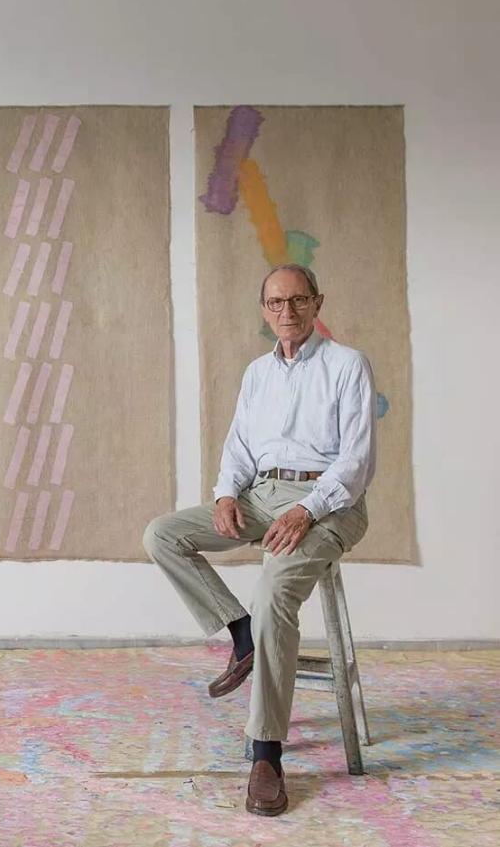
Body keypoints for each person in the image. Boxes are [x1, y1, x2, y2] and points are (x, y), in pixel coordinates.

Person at [143, 263, 376, 816]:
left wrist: (307, 508)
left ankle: (266, 753)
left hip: (330, 503)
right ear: (264, 309)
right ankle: (242, 632)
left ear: (318, 304)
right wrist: (226, 494)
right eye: (275, 302)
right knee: (163, 535)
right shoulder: (257, 372)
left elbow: (356, 462)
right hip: (261, 494)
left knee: (274, 592)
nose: (287, 312)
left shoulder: (348, 366)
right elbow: (240, 446)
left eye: (298, 300)